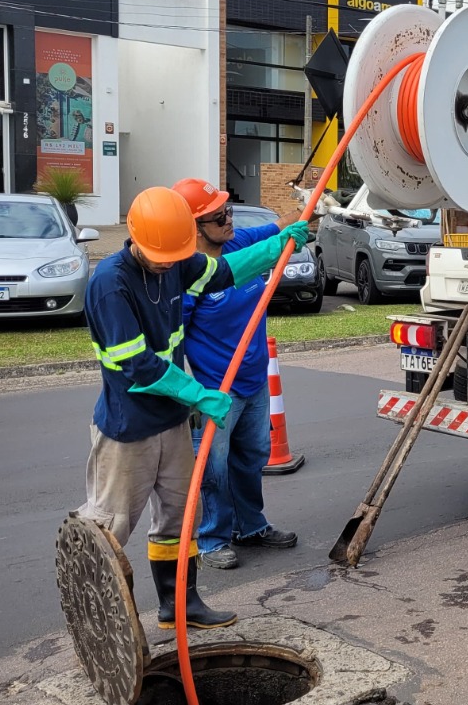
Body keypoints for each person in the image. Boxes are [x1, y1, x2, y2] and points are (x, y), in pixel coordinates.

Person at [79, 186, 308, 629]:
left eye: (174, 256)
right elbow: (140, 366)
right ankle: (96, 622)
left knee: (179, 521)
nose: (168, 265)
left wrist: (278, 246)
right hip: (129, 430)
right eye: (160, 257)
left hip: (172, 422)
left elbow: (224, 273)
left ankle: (180, 605)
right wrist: (201, 396)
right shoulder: (110, 285)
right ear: (137, 240)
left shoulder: (175, 260)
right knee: (110, 526)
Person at [172, 178, 301, 570]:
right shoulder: (187, 278)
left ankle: (251, 525)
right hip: (216, 390)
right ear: (193, 227)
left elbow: (282, 225)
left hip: (253, 380)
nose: (228, 220)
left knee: (252, 456)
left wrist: (313, 206)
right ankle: (212, 538)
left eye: (228, 211)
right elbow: (174, 343)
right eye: (217, 217)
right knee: (212, 467)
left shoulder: (238, 245)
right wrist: (189, 395)